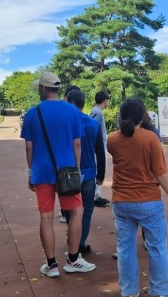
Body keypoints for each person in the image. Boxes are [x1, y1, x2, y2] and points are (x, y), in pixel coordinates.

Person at [107, 97, 168, 297]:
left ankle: (128, 292)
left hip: (121, 201)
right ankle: (162, 296)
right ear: (143, 116)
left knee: (125, 248)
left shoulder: (112, 139)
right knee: (157, 247)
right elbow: (159, 172)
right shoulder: (150, 139)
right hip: (148, 200)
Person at [21, 72, 96, 277]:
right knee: (77, 212)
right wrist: (77, 169)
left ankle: (52, 265)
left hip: (42, 172)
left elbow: (29, 147)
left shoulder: (32, 113)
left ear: (43, 89)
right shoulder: (72, 111)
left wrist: (30, 171)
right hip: (67, 171)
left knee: (46, 217)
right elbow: (77, 143)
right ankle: (73, 259)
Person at [62, 89, 106, 255]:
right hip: (88, 173)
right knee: (86, 210)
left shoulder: (65, 124)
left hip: (67, 173)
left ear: (71, 103)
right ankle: (80, 242)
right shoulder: (93, 124)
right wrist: (101, 175)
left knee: (68, 208)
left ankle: (72, 236)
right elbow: (100, 152)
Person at [90, 91, 111, 207]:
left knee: (99, 169)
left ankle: (95, 195)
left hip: (99, 145)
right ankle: (95, 196)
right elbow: (91, 127)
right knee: (99, 170)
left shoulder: (97, 111)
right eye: (108, 100)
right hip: (98, 147)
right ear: (105, 101)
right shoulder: (97, 112)